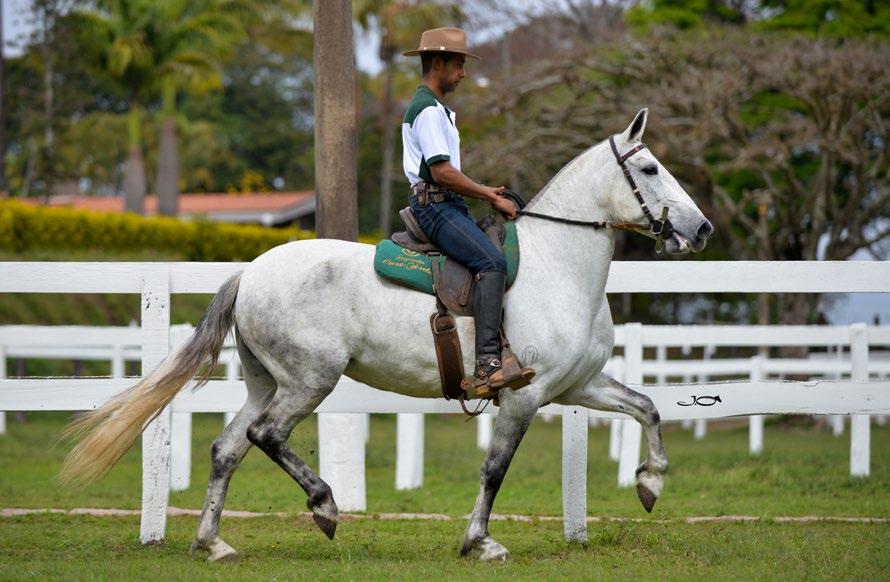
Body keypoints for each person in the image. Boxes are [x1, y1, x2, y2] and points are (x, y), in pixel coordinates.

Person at [401, 27, 534, 395]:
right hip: (436, 208)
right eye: (458, 64)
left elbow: (449, 173)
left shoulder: (437, 109)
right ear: (438, 63)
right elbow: (442, 172)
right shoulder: (427, 110)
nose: (463, 72)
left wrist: (484, 190)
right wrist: (491, 198)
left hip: (447, 202)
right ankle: (487, 364)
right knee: (492, 263)